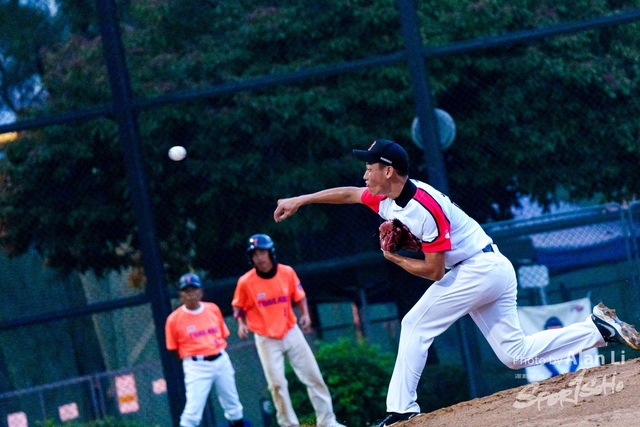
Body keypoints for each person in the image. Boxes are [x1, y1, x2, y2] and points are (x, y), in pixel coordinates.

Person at [273, 138, 640, 427]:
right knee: (515, 355)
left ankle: (402, 410)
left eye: (370, 168)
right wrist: (301, 200)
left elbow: (434, 271)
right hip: (487, 268)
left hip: (478, 270)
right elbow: (350, 195)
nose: (365, 175)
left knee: (415, 323)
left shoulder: (423, 206)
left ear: (388, 171)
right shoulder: (388, 199)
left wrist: (396, 258)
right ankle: (598, 329)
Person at [232, 234, 346, 427]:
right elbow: (238, 306)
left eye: (262, 251)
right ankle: (289, 425)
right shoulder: (246, 282)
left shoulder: (286, 272)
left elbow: (299, 295)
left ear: (271, 252)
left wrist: (305, 314)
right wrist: (241, 324)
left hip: (290, 329)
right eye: (254, 253)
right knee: (276, 385)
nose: (259, 256)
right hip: (265, 337)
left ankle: (327, 421)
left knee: (313, 375)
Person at [165, 273, 245, 427]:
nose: (190, 294)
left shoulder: (212, 309)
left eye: (194, 289)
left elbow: (223, 335)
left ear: (201, 291)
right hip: (196, 365)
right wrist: (192, 357)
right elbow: (173, 349)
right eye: (186, 290)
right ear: (180, 294)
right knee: (192, 413)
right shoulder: (174, 319)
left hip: (221, 359)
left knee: (233, 404)